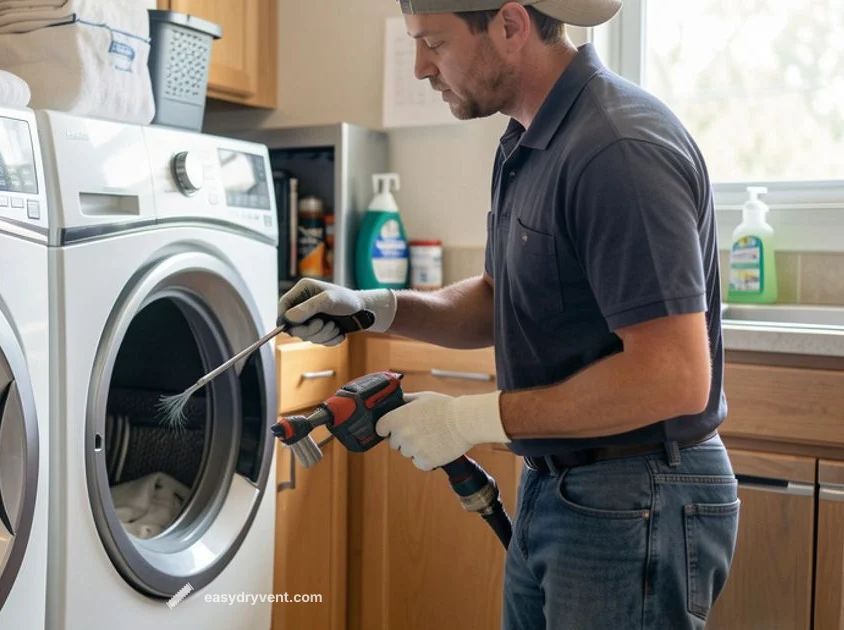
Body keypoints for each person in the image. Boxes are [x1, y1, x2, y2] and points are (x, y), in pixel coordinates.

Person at [276, 1, 739, 628]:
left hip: (635, 494)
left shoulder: (617, 148)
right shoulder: (528, 138)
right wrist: (373, 309)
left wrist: (471, 417)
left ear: (511, 26)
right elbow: (502, 298)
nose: (419, 67)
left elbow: (673, 377)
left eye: (433, 43)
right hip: (563, 485)